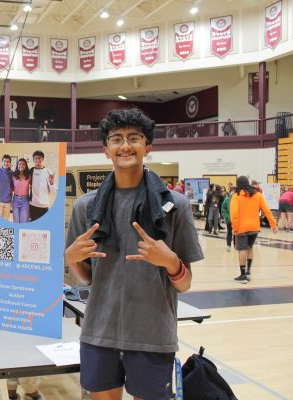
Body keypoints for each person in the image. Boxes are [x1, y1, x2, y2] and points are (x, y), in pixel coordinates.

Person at [64, 108, 203, 400]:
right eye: (116, 139)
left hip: (152, 335)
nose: (125, 146)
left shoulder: (174, 205)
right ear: (106, 150)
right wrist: (72, 258)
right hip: (99, 332)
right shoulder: (86, 208)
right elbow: (87, 280)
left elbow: (185, 283)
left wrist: (170, 262)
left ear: (147, 147)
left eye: (134, 138)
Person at [230, 176, 277, 283]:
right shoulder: (258, 195)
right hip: (254, 227)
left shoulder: (236, 196)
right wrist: (273, 225)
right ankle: (248, 271)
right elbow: (267, 210)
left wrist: (235, 228)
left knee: (242, 249)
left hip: (241, 227)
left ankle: (243, 275)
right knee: (249, 248)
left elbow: (234, 214)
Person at [29, 150, 55, 221]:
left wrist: (52, 183)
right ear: (33, 159)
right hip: (32, 204)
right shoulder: (31, 170)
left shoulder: (48, 171)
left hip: (44, 205)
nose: (38, 160)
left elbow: (53, 191)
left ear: (42, 159)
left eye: (40, 158)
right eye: (36, 158)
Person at [12, 158, 32, 223]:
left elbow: (34, 186)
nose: (21, 165)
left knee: (24, 221)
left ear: (26, 166)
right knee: (16, 221)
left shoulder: (28, 176)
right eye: (19, 164)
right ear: (17, 165)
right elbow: (11, 186)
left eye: (23, 164)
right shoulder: (13, 176)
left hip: (25, 200)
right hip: (15, 199)